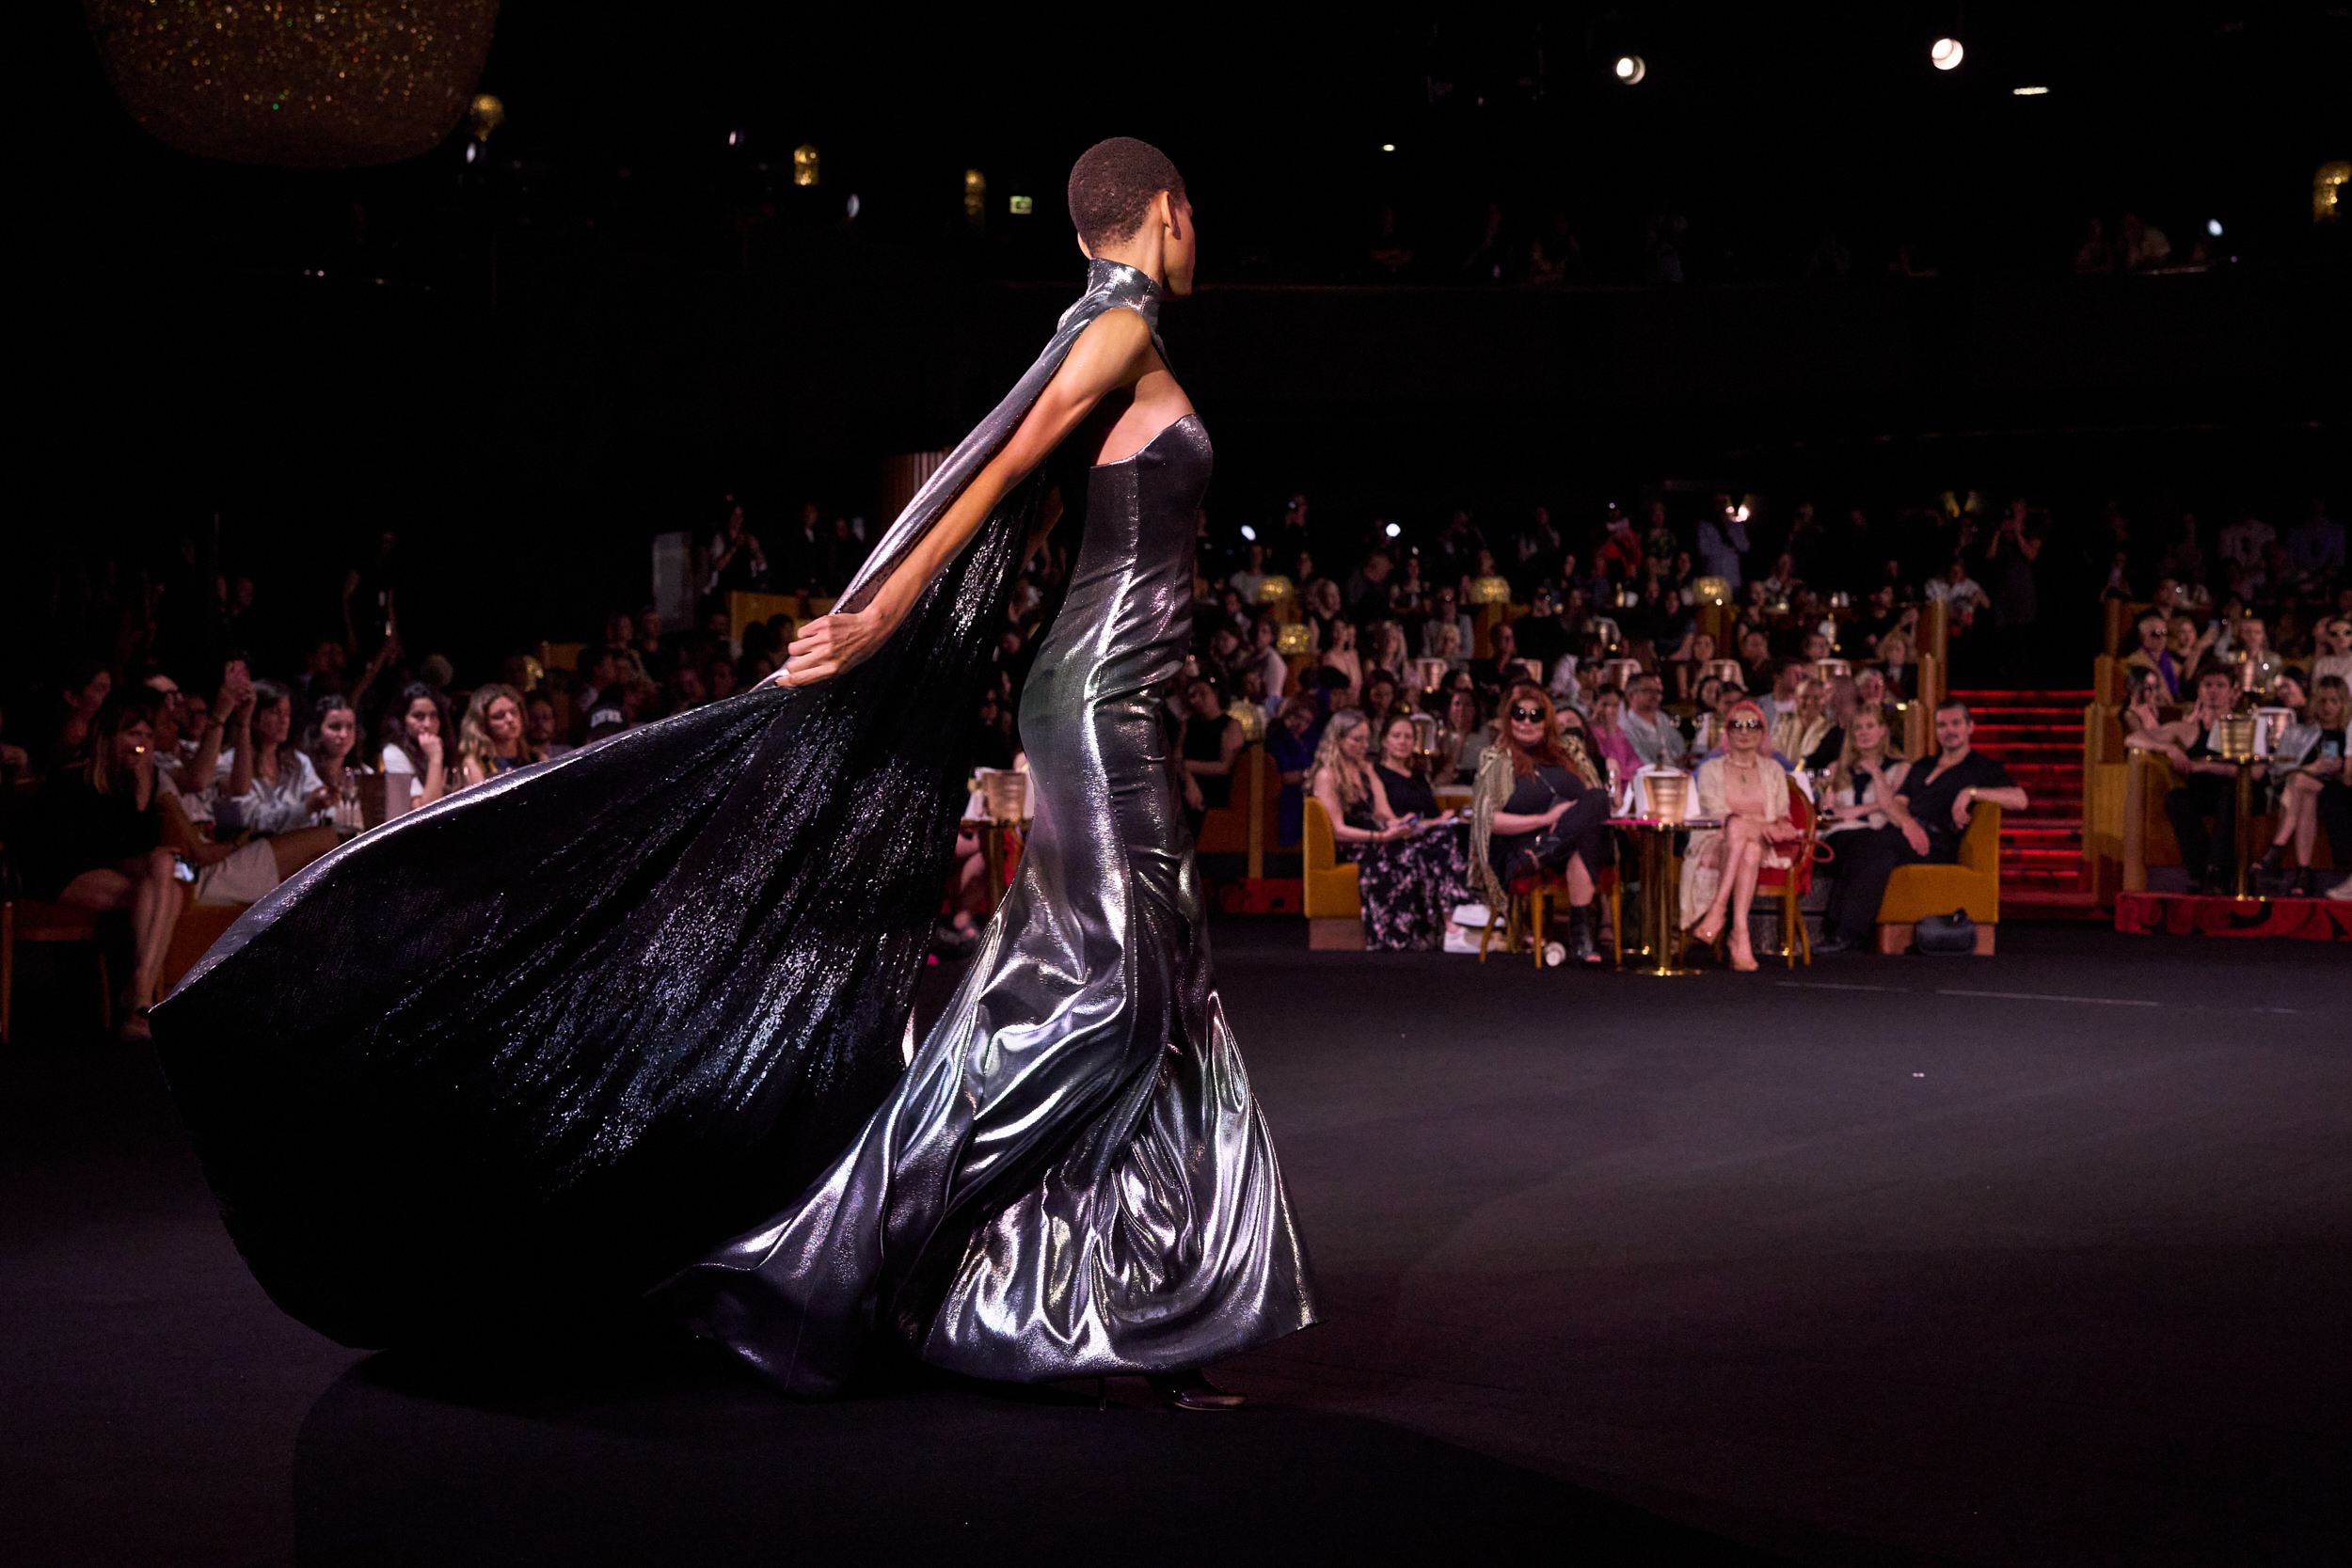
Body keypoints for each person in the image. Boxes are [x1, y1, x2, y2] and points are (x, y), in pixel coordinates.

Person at [158, 139, 1315, 1411]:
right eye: (1196, 221)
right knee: (1117, 998)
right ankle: (825, 1256)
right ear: (1169, 211)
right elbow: (993, 468)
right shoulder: (1118, 326)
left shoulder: (1110, 331)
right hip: (1100, 702)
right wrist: (877, 620)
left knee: (1157, 990)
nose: (1199, 242)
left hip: (1112, 698)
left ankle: (1146, 1310)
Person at [1820, 698, 2028, 951]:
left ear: (1970, 727)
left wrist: (1971, 793)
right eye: (1942, 725)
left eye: (1955, 724)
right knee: (1862, 841)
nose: (1949, 731)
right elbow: (1896, 804)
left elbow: (2020, 799)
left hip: (1936, 843)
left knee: (1873, 844)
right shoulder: (1923, 765)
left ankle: (1848, 934)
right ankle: (1836, 931)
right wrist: (1907, 822)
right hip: (1905, 833)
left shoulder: (1981, 768)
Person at [28, 696, 179, 1039]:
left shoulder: (136, 780)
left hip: (109, 869)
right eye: (133, 733)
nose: (141, 744)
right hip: (62, 872)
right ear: (107, 736)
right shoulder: (71, 780)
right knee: (164, 890)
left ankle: (139, 991)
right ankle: (140, 1002)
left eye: (147, 736)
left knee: (165, 873)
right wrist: (138, 804)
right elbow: (84, 849)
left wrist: (142, 794)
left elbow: (138, 846)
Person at [1470, 684, 1613, 965]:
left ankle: (1546, 851)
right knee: (1584, 837)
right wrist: (1544, 819)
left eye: (1535, 715)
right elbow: (1487, 821)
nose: (1526, 721)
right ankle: (1581, 935)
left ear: (1547, 721)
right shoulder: (1497, 759)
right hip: (1520, 846)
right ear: (1509, 719)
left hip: (1555, 848)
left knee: (1597, 801)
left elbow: (1591, 802)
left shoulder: (1566, 753)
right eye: (1519, 714)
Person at [1310, 711, 1464, 951]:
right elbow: (1338, 830)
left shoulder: (1366, 771)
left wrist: (1405, 824)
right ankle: (1434, 927)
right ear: (1338, 740)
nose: (1363, 746)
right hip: (1356, 846)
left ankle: (1450, 922)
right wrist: (1380, 837)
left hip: (1380, 839)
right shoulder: (1327, 775)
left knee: (1441, 839)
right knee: (1411, 859)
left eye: (1365, 739)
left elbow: (1385, 815)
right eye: (1356, 740)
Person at [1679, 701, 1800, 972]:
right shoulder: (1711, 769)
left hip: (1763, 841)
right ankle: (1739, 934)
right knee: (1742, 840)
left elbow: (1781, 814)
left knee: (1745, 837)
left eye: (1752, 725)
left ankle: (1718, 910)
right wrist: (1759, 824)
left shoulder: (1773, 771)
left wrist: (1757, 826)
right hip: (1715, 839)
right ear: (1728, 731)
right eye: (1738, 725)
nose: (1745, 731)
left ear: (1761, 732)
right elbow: (1717, 813)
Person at [2255, 674, 2349, 895]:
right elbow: (2278, 771)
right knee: (2303, 790)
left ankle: (2277, 848)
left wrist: (2338, 767)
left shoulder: (2347, 734)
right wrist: (2313, 769)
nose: (2327, 707)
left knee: (2299, 782)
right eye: (2322, 700)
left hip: (2336, 791)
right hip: (2302, 791)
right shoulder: (2300, 731)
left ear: (2344, 704)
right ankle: (2303, 873)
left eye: (2334, 701)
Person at [1820, 705, 1906, 838]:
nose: (1863, 732)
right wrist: (1876, 806)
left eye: (1870, 726)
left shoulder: (1900, 768)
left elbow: (1893, 808)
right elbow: (1828, 812)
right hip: (1840, 835)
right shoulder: (1835, 769)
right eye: (1858, 728)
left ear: (1882, 730)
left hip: (1881, 838)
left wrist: (1875, 772)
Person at [1177, 675, 1243, 837]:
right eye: (1192, 696)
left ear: (1216, 694)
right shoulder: (1189, 723)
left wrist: (1188, 766)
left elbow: (1224, 766)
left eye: (1202, 694)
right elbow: (1176, 757)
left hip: (1215, 788)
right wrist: (1189, 779)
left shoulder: (1230, 725)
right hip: (1186, 787)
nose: (1196, 700)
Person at [377, 681, 450, 814]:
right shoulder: (393, 753)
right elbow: (426, 812)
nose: (428, 724)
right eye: (418, 716)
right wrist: (435, 758)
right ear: (402, 719)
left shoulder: (445, 749)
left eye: (433, 716)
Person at [455, 684, 538, 786]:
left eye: (514, 712)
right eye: (499, 716)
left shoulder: (536, 758)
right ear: (483, 724)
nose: (510, 719)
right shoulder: (476, 764)